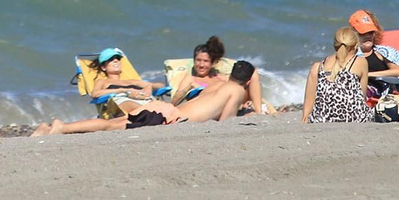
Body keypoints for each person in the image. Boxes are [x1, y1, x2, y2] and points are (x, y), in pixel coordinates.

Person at [32, 47, 247, 135]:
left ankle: (56, 127)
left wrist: (144, 86)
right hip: (147, 108)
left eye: (118, 59)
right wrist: (130, 89)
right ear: (104, 67)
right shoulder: (103, 82)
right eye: (110, 61)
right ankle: (61, 128)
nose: (116, 62)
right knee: (110, 125)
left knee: (112, 125)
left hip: (154, 106)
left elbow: (153, 86)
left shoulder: (133, 79)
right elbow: (97, 93)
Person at [170, 36, 274, 115]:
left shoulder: (220, 77)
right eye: (198, 60)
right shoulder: (191, 79)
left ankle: (258, 109)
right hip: (209, 109)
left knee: (252, 72)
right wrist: (185, 90)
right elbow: (174, 102)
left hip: (232, 105)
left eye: (205, 61)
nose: (201, 65)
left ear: (213, 62)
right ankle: (257, 109)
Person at [301, 27, 373, 123]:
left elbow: (308, 104)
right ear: (356, 45)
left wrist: (305, 119)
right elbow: (361, 97)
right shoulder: (360, 62)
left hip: (322, 119)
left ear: (335, 45)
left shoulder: (318, 67)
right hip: (354, 118)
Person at [348, 9, 399, 95]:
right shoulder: (350, 56)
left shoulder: (381, 53)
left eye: (371, 32)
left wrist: (368, 74)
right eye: (362, 33)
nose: (367, 36)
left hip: (379, 93)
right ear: (353, 34)